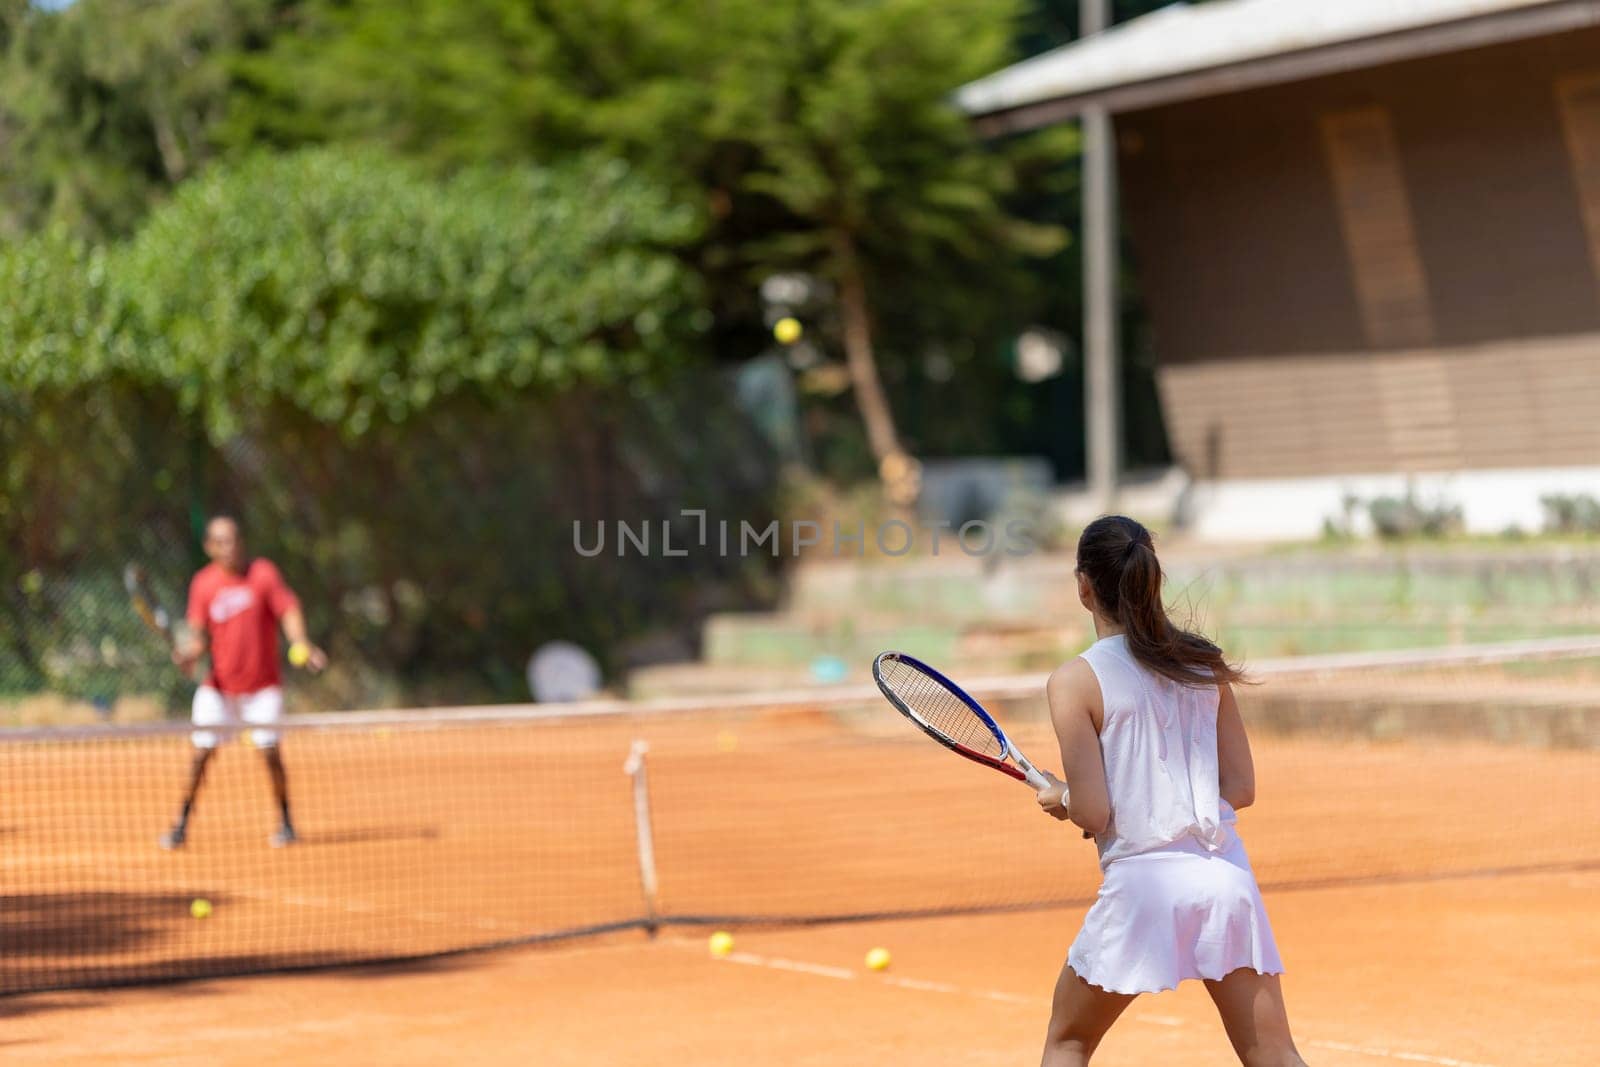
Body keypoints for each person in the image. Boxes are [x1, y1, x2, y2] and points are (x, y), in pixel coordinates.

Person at [1035, 515, 1307, 1067]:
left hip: (1144, 889)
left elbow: (1092, 809)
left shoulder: (1073, 682)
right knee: (1275, 1056)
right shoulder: (1201, 660)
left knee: (1069, 1041)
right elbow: (1241, 788)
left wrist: (1061, 798)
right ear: (1150, 579)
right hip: (1225, 882)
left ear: (1083, 586)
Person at [160, 515, 326, 850]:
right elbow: (199, 636)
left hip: (262, 686)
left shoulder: (262, 574)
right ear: (209, 548)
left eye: (233, 540)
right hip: (219, 687)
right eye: (220, 542)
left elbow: (288, 609)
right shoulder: (203, 584)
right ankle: (181, 824)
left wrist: (300, 642)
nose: (229, 547)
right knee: (201, 754)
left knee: (269, 752)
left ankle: (286, 822)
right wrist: (190, 654)